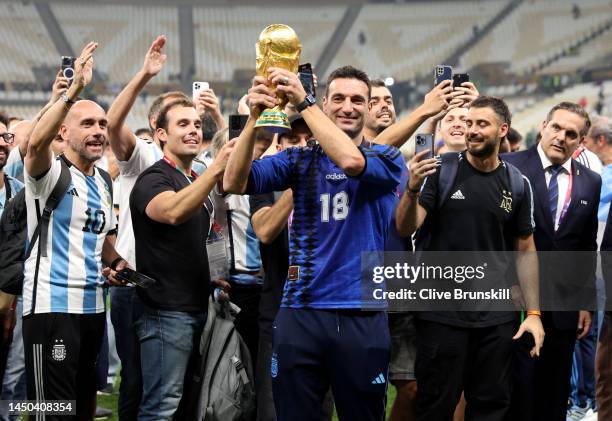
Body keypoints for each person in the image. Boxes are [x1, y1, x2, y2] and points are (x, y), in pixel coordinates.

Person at [224, 65, 405, 421]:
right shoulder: (298, 158)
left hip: (361, 312)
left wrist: (305, 103)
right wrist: (253, 122)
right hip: (301, 311)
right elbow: (234, 180)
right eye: (338, 98)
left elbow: (352, 161)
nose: (348, 107)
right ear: (327, 101)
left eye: (357, 100)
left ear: (369, 109)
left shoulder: (388, 158)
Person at [396, 96, 544, 420]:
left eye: (481, 124)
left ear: (503, 129)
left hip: (497, 320)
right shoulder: (440, 171)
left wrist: (534, 312)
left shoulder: (519, 184)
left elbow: (526, 250)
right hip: (440, 317)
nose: (471, 130)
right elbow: (407, 226)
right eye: (469, 123)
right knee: (434, 408)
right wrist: (411, 189)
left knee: (491, 409)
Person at [22, 42, 127, 420]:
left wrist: (117, 263)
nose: (99, 131)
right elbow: (34, 143)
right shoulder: (49, 173)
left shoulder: (103, 179)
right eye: (88, 124)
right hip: (52, 307)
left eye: (102, 124)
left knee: (84, 406)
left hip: (94, 308)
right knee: (51, 411)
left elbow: (103, 241)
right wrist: (70, 94)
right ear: (63, 132)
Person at [129, 96, 234, 420]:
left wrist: (209, 275)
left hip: (193, 305)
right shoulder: (153, 179)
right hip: (165, 312)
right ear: (160, 134)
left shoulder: (191, 179)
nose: (193, 130)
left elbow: (191, 240)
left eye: (197, 124)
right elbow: (173, 212)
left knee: (187, 404)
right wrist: (216, 168)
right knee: (161, 407)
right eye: (183, 124)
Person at [504, 102, 601, 421]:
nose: (561, 137)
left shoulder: (590, 180)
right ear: (543, 126)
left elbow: (585, 245)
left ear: (580, 142)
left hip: (563, 308)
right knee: (512, 394)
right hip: (512, 302)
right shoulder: (509, 165)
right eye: (556, 128)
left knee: (554, 395)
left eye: (571, 134)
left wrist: (585, 301)